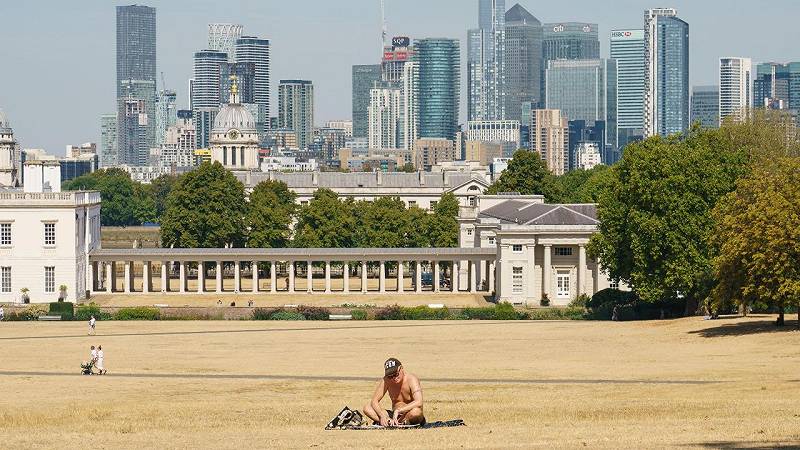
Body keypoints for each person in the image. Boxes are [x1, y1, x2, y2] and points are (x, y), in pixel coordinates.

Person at [363, 358, 425, 427]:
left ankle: (404, 422)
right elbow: (374, 401)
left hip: (409, 413)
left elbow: (419, 401)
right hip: (394, 415)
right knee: (367, 408)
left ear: (401, 368)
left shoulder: (411, 379)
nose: (394, 378)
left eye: (396, 374)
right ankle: (389, 422)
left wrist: (399, 410)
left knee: (416, 412)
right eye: (390, 376)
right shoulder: (386, 380)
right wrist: (382, 416)